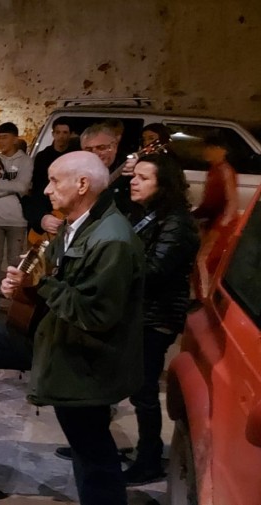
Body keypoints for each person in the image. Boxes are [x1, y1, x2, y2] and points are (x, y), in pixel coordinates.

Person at [0, 151, 144, 505]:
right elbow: (52, 273)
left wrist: (40, 284)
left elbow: (95, 314)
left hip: (87, 365)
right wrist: (22, 284)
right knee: (87, 449)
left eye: (54, 180)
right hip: (68, 353)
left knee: (94, 455)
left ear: (82, 184)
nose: (46, 190)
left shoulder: (112, 239)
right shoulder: (75, 225)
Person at [123, 153, 200, 484]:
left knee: (143, 391)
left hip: (156, 317)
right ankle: (98, 443)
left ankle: (149, 459)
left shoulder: (177, 222)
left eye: (143, 177)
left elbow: (154, 271)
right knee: (128, 383)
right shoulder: (149, 214)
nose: (133, 181)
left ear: (163, 185)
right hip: (139, 313)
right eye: (134, 175)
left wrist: (113, 265)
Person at [0, 122, 31, 317]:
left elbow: (23, 187)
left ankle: (13, 299)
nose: (1, 141)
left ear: (15, 138)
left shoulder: (25, 161)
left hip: (17, 218)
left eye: (4, 137)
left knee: (14, 260)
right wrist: (10, 185)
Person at [192, 132, 240, 298]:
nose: (206, 151)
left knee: (204, 260)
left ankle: (205, 298)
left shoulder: (225, 170)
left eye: (211, 148)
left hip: (222, 224)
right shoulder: (214, 170)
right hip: (213, 221)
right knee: (202, 260)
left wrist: (220, 227)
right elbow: (209, 202)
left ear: (222, 150)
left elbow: (231, 202)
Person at [25, 118, 78, 238]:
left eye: (65, 132)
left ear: (70, 134)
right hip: (44, 201)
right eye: (58, 132)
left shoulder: (74, 156)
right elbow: (37, 185)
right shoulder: (43, 156)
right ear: (53, 134)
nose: (61, 136)